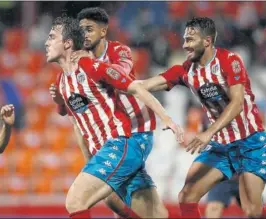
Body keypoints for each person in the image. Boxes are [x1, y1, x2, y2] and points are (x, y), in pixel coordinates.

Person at [45, 16, 183, 218]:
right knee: (153, 214)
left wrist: (168, 119)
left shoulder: (93, 67)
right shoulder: (62, 82)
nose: (46, 42)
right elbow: (76, 122)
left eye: (51, 37)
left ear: (67, 43)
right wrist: (89, 161)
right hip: (106, 151)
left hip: (121, 144)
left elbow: (135, 87)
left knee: (76, 201)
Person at [139, 17, 266, 218]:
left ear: (207, 41)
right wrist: (113, 83)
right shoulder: (186, 70)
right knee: (186, 196)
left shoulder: (229, 61)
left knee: (252, 212)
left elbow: (236, 104)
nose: (185, 45)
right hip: (221, 147)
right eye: (185, 39)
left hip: (250, 143)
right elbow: (145, 85)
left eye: (190, 40)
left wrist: (208, 133)